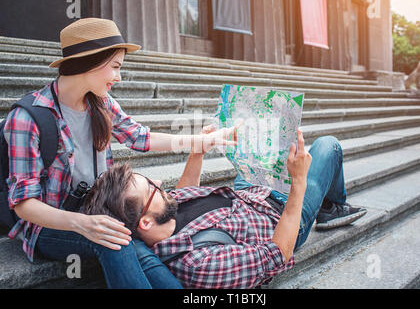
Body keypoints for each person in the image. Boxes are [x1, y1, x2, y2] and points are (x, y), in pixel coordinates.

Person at [4, 18, 238, 288]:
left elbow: (139, 137)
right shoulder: (27, 118)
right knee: (117, 240)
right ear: (90, 61)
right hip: (49, 224)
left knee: (134, 242)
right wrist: (83, 224)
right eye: (115, 67)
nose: (119, 77)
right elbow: (24, 206)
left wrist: (196, 141)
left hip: (95, 208)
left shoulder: (100, 102)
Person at [83, 127, 368, 288]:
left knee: (265, 137)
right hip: (284, 215)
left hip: (247, 193)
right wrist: (298, 183)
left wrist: (197, 154)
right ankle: (330, 207)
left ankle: (327, 200)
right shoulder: (199, 263)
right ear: (144, 223)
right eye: (152, 188)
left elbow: (184, 192)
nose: (159, 183)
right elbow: (278, 254)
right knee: (327, 146)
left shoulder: (161, 213)